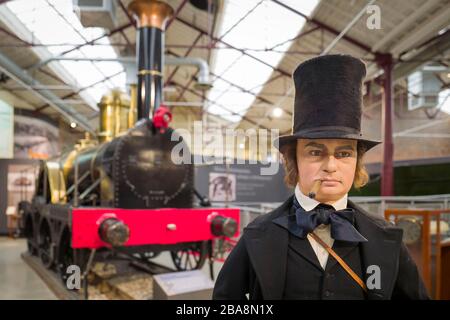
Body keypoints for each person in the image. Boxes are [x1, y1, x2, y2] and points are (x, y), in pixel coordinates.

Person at [213, 54, 429, 300]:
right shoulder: (257, 235)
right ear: (294, 160)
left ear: (357, 161)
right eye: (315, 152)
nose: (330, 165)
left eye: (344, 153)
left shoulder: (385, 237)